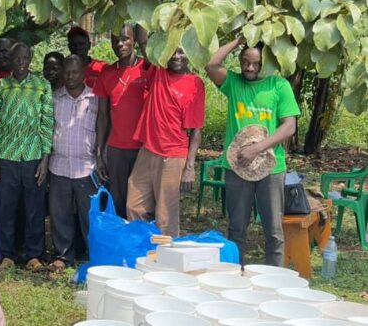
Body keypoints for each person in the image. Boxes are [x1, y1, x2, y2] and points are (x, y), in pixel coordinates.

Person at [205, 38, 300, 266]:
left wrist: (257, 148)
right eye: (245, 62)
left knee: (274, 232)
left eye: (256, 64)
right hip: (237, 168)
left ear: (266, 62)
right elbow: (211, 64)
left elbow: (289, 126)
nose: (249, 68)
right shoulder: (233, 83)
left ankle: (272, 282)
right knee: (236, 229)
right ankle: (236, 279)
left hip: (272, 169)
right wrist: (240, 38)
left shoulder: (279, 85)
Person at [126, 34, 205, 237]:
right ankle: (142, 254)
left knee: (165, 217)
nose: (176, 56)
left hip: (173, 156)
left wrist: (189, 168)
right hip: (148, 150)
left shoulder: (195, 83)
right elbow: (143, 38)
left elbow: (196, 130)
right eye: (172, 51)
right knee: (134, 206)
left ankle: (166, 263)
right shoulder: (158, 71)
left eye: (181, 51)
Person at [0, 43, 53, 271]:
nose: (21, 62)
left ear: (30, 59)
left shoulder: (42, 86)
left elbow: (47, 124)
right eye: (17, 58)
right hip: (7, 155)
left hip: (33, 156)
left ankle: (33, 254)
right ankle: (7, 254)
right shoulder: (1, 86)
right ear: (12, 60)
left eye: (25, 57)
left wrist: (45, 159)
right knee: (6, 208)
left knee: (34, 207)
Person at [48, 55, 97, 270]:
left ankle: (92, 253)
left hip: (87, 167)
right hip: (58, 165)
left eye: (75, 72)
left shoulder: (95, 99)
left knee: (89, 215)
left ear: (83, 73)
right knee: (60, 214)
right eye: (66, 72)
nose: (70, 76)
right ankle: (63, 255)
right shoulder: (54, 98)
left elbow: (105, 128)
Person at [94, 24, 147, 218]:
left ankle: (143, 245)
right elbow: (102, 116)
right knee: (118, 202)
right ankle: (122, 245)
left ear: (134, 40)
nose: (120, 44)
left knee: (141, 203)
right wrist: (100, 154)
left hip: (143, 149)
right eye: (115, 40)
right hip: (116, 149)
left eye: (125, 39)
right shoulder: (107, 73)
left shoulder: (147, 69)